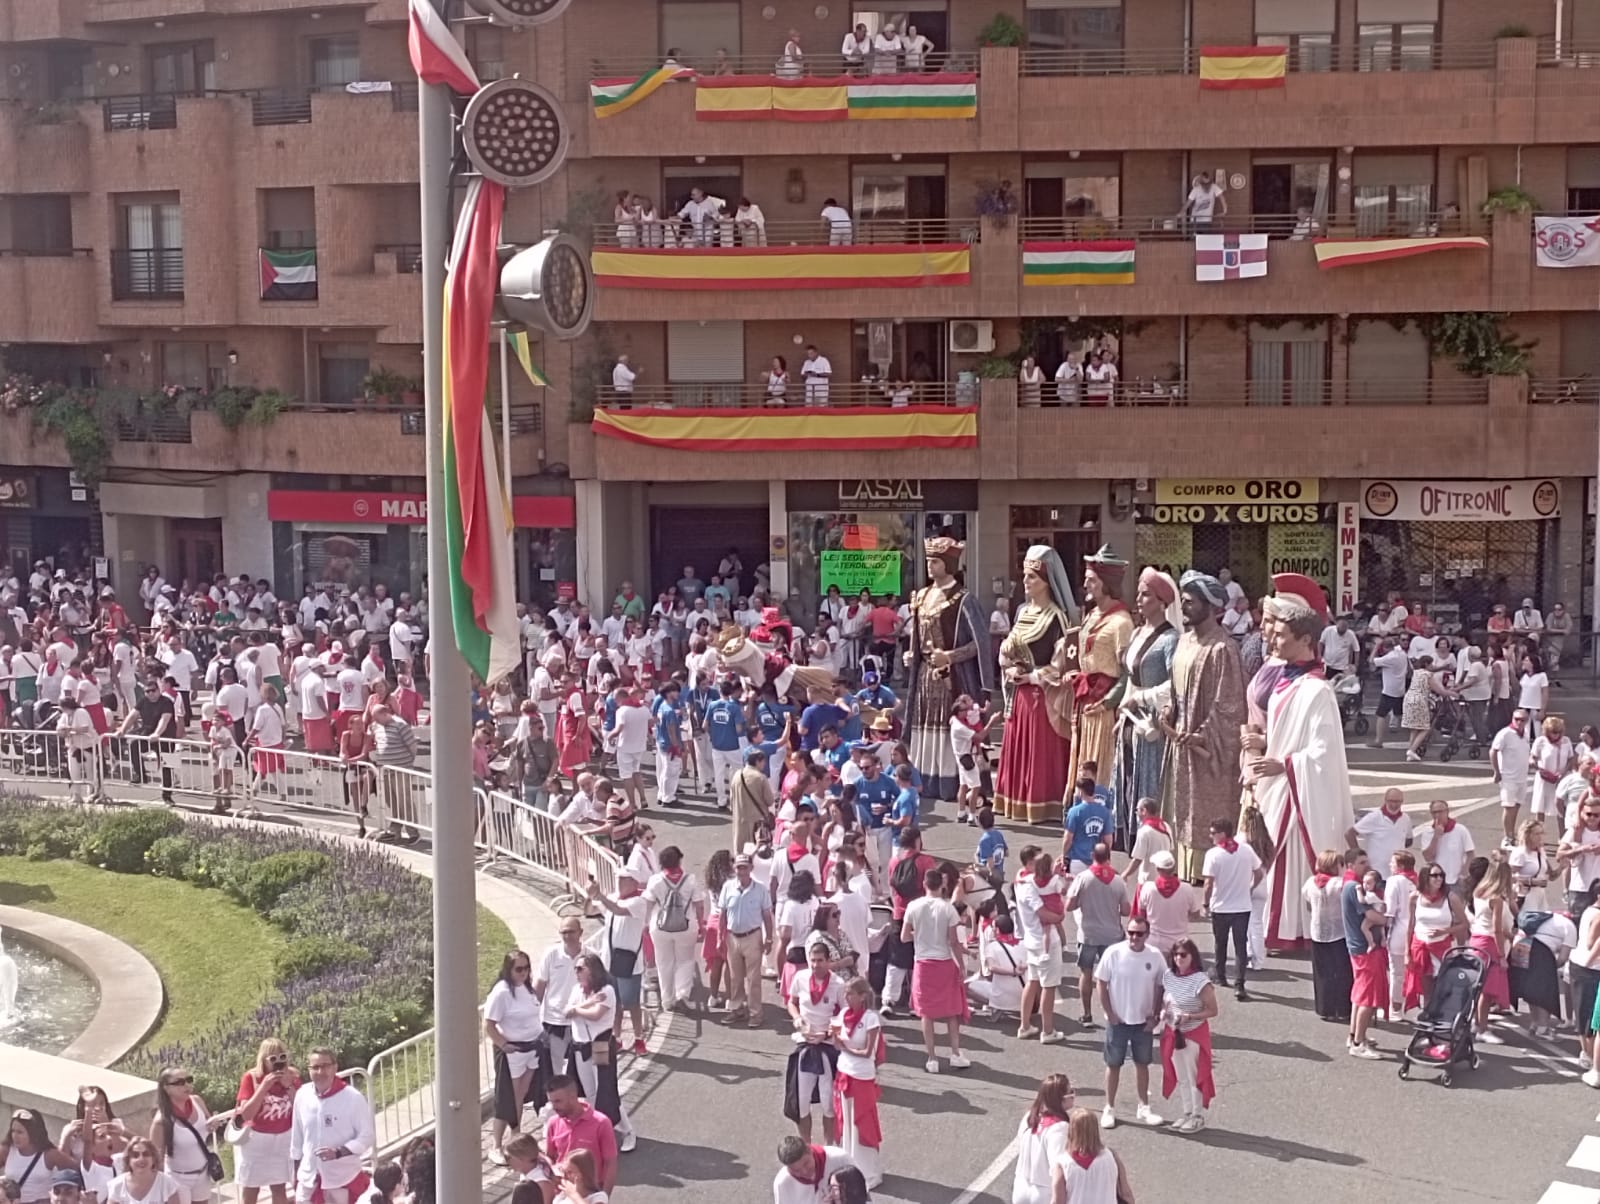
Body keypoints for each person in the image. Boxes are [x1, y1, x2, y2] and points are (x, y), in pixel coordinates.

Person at [1251, 575, 1355, 949]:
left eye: (1280, 634)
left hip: (1296, 796)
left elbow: (1323, 752)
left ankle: (1297, 929)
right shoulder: (1285, 679)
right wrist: (1263, 743)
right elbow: (1285, 733)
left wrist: (1285, 764)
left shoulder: (1317, 690)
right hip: (1275, 787)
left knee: (1288, 859)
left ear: (1306, 639)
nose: (1272, 639)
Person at [1161, 572, 1246, 879]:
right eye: (1182, 601)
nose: (1183, 607)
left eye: (1190, 602)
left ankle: (1207, 869)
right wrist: (1169, 710)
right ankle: (1182, 865)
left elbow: (1229, 706)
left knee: (1205, 809)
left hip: (1206, 748)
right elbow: (1176, 688)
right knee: (1181, 805)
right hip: (1179, 740)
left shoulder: (1223, 648)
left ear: (1209, 606)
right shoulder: (1184, 641)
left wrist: (1202, 735)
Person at [904, 537, 992, 803]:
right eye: (928, 560)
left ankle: (953, 782)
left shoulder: (963, 599)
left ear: (948, 564)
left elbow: (980, 643)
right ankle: (926, 779)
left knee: (950, 726)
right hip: (924, 674)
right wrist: (911, 654)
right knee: (924, 725)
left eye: (935, 561)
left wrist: (950, 656)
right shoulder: (921, 596)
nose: (930, 565)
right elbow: (916, 636)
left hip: (952, 677)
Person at [993, 546, 1076, 825]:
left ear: (1046, 582)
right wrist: (1008, 667)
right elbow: (1006, 649)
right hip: (1020, 695)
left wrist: (1031, 677)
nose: (1026, 581)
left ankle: (1043, 804)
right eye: (1026, 576)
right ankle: (1016, 800)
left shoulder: (1056, 617)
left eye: (1032, 577)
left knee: (1039, 754)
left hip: (1042, 697)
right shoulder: (1023, 612)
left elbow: (1061, 664)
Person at [1063, 547, 1133, 813]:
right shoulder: (1091, 615)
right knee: (1083, 759)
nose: (1086, 585)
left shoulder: (1122, 623)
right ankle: (1080, 810)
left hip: (1104, 707)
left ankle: (1099, 813)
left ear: (1107, 583)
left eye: (1091, 580)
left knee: (1100, 762)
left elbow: (1127, 672)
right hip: (1085, 702)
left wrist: (1107, 702)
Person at [1112, 569, 1180, 846]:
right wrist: (1123, 711)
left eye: (1146, 595)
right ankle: (1128, 833)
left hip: (1151, 718)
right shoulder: (1138, 633)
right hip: (1131, 716)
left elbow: (1175, 684)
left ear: (1162, 602)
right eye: (1139, 594)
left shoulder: (1170, 639)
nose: (1139, 600)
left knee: (1148, 776)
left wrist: (1142, 698)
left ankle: (1150, 835)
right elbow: (1131, 677)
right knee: (1128, 772)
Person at [1095, 918, 1166, 1129]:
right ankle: (1109, 1107)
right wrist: (1109, 1013)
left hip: (1143, 1023)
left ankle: (1143, 1106)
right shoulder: (1113, 953)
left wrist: (1155, 1015)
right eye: (1131, 932)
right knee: (1113, 1064)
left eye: (1139, 933)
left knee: (1142, 1063)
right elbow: (1101, 983)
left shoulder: (1155, 956)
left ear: (1147, 934)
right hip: (1118, 1021)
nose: (1134, 937)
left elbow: (1161, 985)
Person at [563, 955, 637, 1154]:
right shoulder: (577, 990)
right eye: (576, 968)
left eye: (580, 968)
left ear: (592, 970)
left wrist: (578, 1009)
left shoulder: (607, 991)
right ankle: (597, 1131)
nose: (577, 972)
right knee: (589, 1094)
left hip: (600, 1045)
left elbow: (596, 1015)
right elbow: (566, 1012)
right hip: (580, 1046)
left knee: (606, 1090)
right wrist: (588, 1003)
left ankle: (627, 1131)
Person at [903, 866, 971, 1073]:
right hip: (944, 963)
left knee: (926, 1013)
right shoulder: (948, 909)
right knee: (952, 1011)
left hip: (923, 964)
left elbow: (904, 937)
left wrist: (919, 935)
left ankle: (932, 1058)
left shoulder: (913, 906)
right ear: (942, 885)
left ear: (924, 884)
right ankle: (955, 1054)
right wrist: (961, 966)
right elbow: (953, 942)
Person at [289, 1048, 375, 1204]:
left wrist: (339, 1152)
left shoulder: (352, 1097)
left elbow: (367, 1136)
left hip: (341, 1178)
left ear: (335, 1067)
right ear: (308, 1070)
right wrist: (296, 1174)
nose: (320, 1072)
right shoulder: (302, 1095)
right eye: (315, 1067)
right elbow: (297, 1138)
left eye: (325, 1066)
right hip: (309, 1179)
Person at [485, 951, 544, 1162]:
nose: (523, 973)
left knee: (520, 1095)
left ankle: (516, 1137)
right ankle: (496, 1145)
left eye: (526, 968)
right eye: (519, 969)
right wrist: (503, 1044)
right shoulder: (501, 992)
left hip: (532, 1048)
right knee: (507, 1099)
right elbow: (489, 1024)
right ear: (508, 969)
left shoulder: (527, 988)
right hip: (513, 1051)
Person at [1159, 938, 1218, 1134]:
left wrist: (1190, 1016)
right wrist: (1164, 1011)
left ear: (1193, 956)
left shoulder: (1201, 981)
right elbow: (1167, 1000)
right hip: (1173, 1033)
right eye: (1175, 954)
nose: (1179, 958)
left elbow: (1212, 1010)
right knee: (1181, 1076)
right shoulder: (1169, 976)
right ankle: (1187, 1112)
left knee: (1194, 1076)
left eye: (1183, 954)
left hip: (1193, 1034)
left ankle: (1197, 1115)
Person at [1067, 844, 1130, 1026]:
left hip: (1088, 934)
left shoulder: (1082, 878)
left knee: (1086, 973)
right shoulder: (1118, 881)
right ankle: (1113, 1013)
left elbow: (1069, 906)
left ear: (1092, 856)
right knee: (1112, 976)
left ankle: (1087, 1014)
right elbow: (1126, 911)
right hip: (1112, 935)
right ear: (1109, 857)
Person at [587, 871, 650, 1054]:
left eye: (623, 879)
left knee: (632, 1003)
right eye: (618, 878)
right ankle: (617, 1038)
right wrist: (590, 895)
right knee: (615, 1003)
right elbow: (590, 911)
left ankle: (639, 1039)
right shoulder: (613, 898)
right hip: (609, 961)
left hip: (629, 962)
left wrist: (599, 895)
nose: (619, 881)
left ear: (634, 882)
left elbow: (619, 910)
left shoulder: (639, 901)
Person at [1201, 817, 1261, 1000]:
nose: (1210, 836)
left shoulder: (1213, 854)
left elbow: (1208, 884)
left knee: (1220, 943)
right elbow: (1259, 872)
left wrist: (1205, 904)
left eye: (1213, 833)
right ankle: (1240, 984)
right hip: (1242, 906)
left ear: (1222, 834)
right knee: (1240, 945)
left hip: (1221, 906)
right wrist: (1250, 887)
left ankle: (1221, 975)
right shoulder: (1246, 850)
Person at [233, 1039, 300, 1204]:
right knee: (251, 1189)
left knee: (279, 1187)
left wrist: (288, 1086)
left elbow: (301, 1107)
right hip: (257, 1141)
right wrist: (264, 1086)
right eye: (273, 1059)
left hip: (283, 1139)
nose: (278, 1062)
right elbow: (246, 1114)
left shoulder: (291, 1075)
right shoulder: (251, 1077)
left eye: (282, 1057)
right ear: (263, 1060)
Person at [644, 845, 706, 1013]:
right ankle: (682, 994)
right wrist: (701, 925)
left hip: (660, 927)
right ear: (679, 860)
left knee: (664, 963)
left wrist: (645, 924)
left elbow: (648, 904)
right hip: (686, 926)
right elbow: (699, 905)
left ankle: (667, 1000)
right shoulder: (690, 880)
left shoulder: (655, 880)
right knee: (685, 960)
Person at [1015, 850, 1066, 1043]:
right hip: (1045, 942)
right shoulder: (1030, 888)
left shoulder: (1023, 881)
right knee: (1049, 986)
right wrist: (1059, 917)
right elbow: (1043, 914)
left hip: (1031, 940)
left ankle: (1025, 1026)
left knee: (1033, 981)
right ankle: (1048, 1031)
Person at [1403, 863, 1470, 1011]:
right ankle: (1428, 1016)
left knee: (1443, 986)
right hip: (1420, 947)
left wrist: (1445, 931)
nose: (1439, 879)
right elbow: (1410, 925)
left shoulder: (1450, 898)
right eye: (1434, 875)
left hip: (1441, 947)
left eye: (1441, 875)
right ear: (1425, 877)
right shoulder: (1415, 897)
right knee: (1426, 988)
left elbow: (1464, 924)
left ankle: (1442, 1015)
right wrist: (1407, 953)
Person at [1341, 850, 1388, 1058]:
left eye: (1367, 861)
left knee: (1359, 996)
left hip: (1357, 947)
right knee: (1367, 998)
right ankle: (1358, 1043)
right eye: (1361, 862)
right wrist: (1387, 919)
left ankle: (1355, 1035)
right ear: (1350, 865)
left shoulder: (1350, 885)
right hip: (1364, 949)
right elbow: (1371, 916)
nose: (1366, 866)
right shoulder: (1354, 887)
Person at [150, 1067, 219, 1204]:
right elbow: (155, 1158)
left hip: (203, 1173)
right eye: (180, 1082)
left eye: (189, 1080)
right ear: (166, 1088)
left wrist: (214, 1124)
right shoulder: (162, 1120)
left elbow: (207, 1125)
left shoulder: (197, 1101)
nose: (187, 1085)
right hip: (178, 1178)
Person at [543, 1078, 617, 1199]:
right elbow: (550, 1156)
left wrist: (605, 1196)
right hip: (563, 1193)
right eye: (551, 1102)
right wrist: (551, 1173)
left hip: (591, 1194)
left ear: (573, 1096)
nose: (554, 1107)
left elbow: (610, 1162)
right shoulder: (553, 1123)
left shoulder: (601, 1123)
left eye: (558, 1101)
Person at [1302, 850, 1353, 1022]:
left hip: (1317, 932)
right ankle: (1343, 1009)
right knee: (1342, 972)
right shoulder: (1339, 884)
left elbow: (1308, 903)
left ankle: (1325, 1008)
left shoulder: (1310, 882)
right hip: (1339, 932)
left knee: (1322, 972)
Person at [1468, 854, 1515, 1044]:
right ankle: (1482, 1029)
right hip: (1489, 944)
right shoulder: (1496, 899)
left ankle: (1476, 1022)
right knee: (1487, 990)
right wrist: (1502, 955)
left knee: (1478, 986)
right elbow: (1496, 929)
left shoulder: (1479, 892)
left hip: (1476, 940)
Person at [1344, 788, 1414, 888]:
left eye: (1397, 801)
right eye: (1391, 801)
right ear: (1385, 800)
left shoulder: (1405, 819)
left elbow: (1409, 840)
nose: (1394, 805)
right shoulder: (1374, 817)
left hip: (1397, 875)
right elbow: (1350, 834)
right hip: (1377, 875)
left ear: (1402, 802)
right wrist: (1360, 857)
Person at [2, 1111, 70, 1203]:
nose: (15, 1136)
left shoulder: (50, 1154)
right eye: (13, 1131)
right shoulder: (7, 1150)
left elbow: (76, 1173)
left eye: (20, 1132)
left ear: (32, 1133)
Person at [772, 1137, 852, 1204]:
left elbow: (858, 1190)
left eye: (806, 1163)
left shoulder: (840, 1159)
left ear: (810, 1150)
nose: (804, 1172)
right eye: (796, 1170)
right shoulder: (782, 1183)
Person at [1530, 715, 1575, 829]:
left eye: (1558, 732)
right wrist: (1536, 766)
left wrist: (1563, 772)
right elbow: (1532, 757)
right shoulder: (1540, 741)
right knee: (1540, 808)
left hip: (1561, 778)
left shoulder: (1566, 741)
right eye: (1553, 732)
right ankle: (1538, 833)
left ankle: (1562, 834)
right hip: (1545, 779)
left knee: (1561, 807)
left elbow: (1571, 759)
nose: (1556, 735)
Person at [1422, 798, 1476, 892]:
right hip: (1437, 882)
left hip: (1456, 881)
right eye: (1434, 812)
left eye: (1440, 812)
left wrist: (1464, 872)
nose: (1437, 815)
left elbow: (1470, 853)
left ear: (1447, 811)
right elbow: (1428, 858)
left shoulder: (1460, 830)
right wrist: (1436, 837)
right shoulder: (1427, 832)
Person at [104, 1139, 181, 1204]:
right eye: (135, 1155)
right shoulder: (117, 1185)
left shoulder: (166, 1183)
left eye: (146, 1154)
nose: (141, 1159)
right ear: (128, 1160)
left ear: (153, 1158)